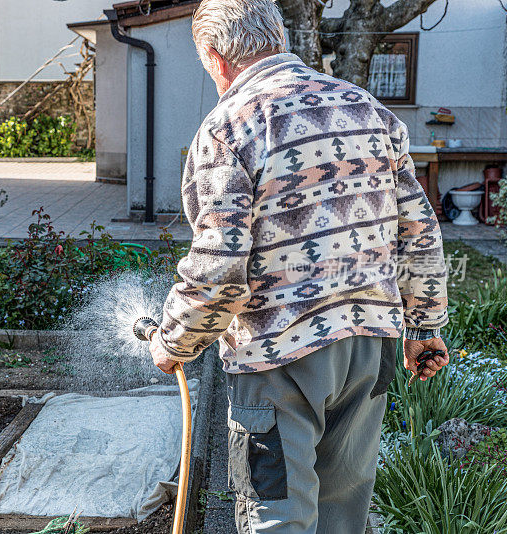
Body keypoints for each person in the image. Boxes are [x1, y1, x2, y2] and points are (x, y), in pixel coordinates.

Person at [147, 1, 449, 532]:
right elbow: (418, 230)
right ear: (278, 37)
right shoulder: (368, 109)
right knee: (342, 514)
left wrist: (174, 341)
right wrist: (424, 326)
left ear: (216, 58)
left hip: (279, 357)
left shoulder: (229, 127)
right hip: (368, 349)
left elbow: (219, 269)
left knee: (279, 516)